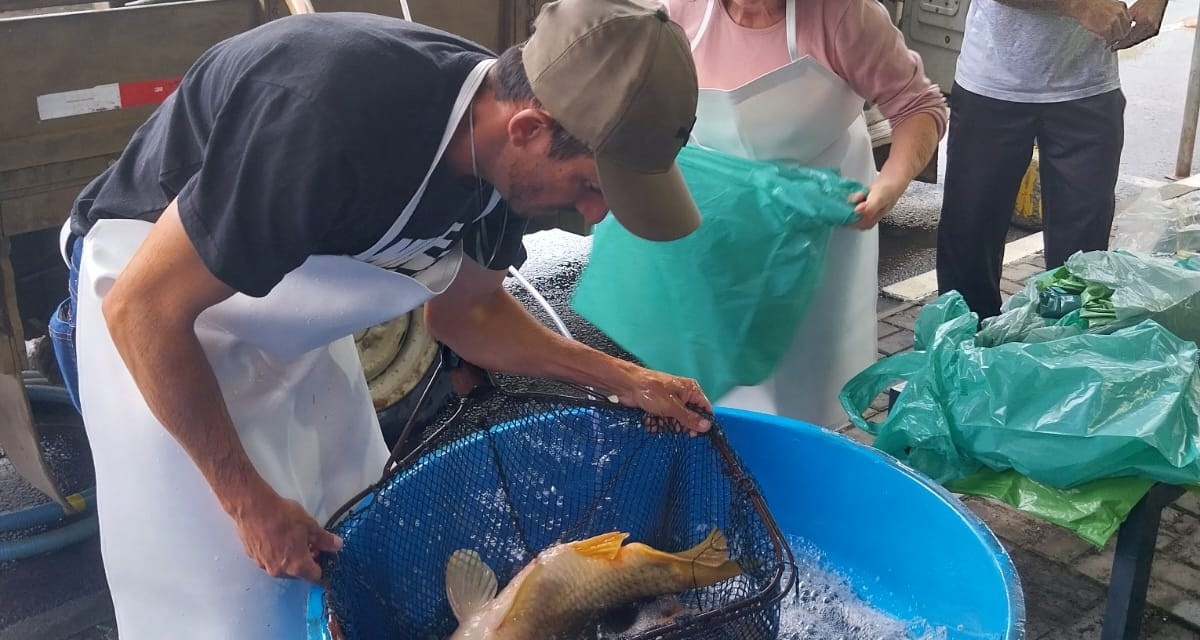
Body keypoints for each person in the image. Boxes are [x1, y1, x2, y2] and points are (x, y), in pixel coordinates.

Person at [45, 1, 712, 637]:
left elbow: (469, 313)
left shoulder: (504, 163)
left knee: (356, 530)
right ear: (529, 130)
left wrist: (624, 378)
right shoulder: (324, 118)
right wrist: (247, 501)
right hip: (154, 312)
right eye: (590, 186)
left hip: (282, 317)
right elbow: (144, 310)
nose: (592, 215)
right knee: (233, 593)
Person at [663, 0, 948, 427]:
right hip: (722, 222)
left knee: (808, 375)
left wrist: (888, 186)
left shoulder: (846, 15)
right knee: (716, 378)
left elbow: (918, 107)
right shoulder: (679, 12)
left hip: (822, 227)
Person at [936, 0, 1169, 319]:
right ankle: (960, 355)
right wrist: (1076, 5)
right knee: (968, 244)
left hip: (1090, 87)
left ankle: (1069, 355)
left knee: (1083, 262)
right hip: (992, 84)